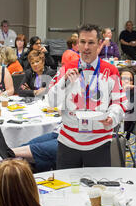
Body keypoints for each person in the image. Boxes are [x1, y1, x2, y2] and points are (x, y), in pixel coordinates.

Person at [47, 24, 127, 168]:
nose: (86, 47)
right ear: (77, 44)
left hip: (99, 141)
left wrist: (113, 116)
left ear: (99, 44)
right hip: (68, 141)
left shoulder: (111, 70)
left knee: (97, 188)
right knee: (66, 188)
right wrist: (64, 82)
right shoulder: (67, 68)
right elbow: (51, 101)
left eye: (91, 42)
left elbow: (119, 101)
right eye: (82, 42)